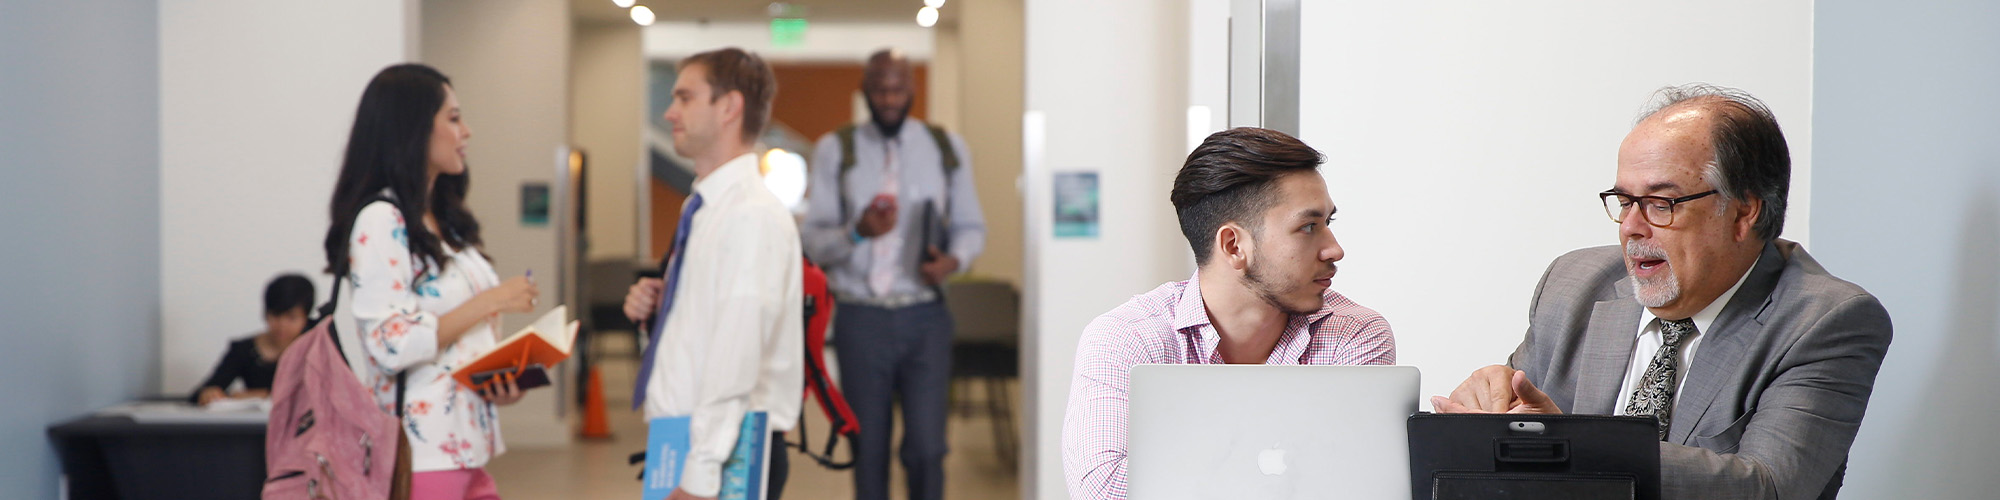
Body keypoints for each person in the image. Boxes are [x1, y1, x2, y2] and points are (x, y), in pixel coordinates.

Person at [1432, 84, 1893, 500]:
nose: (1631, 227)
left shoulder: (1826, 320)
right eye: (1625, 201)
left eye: (1660, 203)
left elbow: (1770, 487)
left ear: (1743, 212)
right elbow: (1513, 431)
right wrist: (1486, 404)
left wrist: (1569, 447)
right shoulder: (1573, 284)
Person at [1061, 127, 1397, 500]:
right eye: (1308, 227)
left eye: (1327, 223)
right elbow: (1104, 492)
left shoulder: (1355, 335)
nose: (1334, 250)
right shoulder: (1128, 339)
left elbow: (1364, 486)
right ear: (1234, 245)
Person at [324, 63, 540, 500]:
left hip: (467, 448)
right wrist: (491, 300)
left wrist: (498, 382)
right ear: (414, 128)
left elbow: (452, 346)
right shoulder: (382, 220)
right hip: (419, 457)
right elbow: (391, 343)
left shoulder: (447, 221)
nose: (467, 132)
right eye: (454, 118)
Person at [798, 48, 986, 500]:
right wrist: (857, 233)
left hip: (925, 317)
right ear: (865, 90)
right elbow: (812, 241)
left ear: (912, 90)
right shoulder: (834, 149)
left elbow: (971, 226)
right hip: (861, 320)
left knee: (926, 448)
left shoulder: (945, 149)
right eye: (879, 88)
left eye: (897, 88)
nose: (888, 98)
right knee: (868, 448)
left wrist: (954, 261)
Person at [621, 47, 803, 500]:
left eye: (684, 98)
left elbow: (736, 357)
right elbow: (711, 325)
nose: (669, 112)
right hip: (688, 436)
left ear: (729, 107)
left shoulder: (750, 215)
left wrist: (700, 475)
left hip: (724, 449)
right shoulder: (703, 207)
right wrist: (664, 307)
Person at [190, 273, 315, 406]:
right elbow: (199, 394)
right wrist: (209, 393)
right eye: (276, 315)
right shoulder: (243, 350)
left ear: (306, 318)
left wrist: (264, 394)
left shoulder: (315, 349)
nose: (282, 325)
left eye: (292, 317)